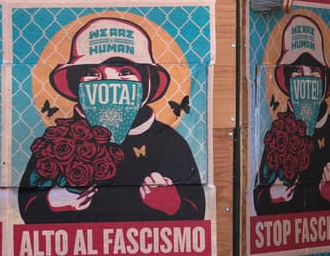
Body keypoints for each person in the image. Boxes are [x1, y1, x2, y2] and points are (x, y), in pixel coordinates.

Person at [18, 16, 206, 223]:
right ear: (75, 84)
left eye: (125, 72)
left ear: (147, 84)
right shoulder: (58, 140)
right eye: (92, 73)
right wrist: (51, 201)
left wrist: (173, 204)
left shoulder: (168, 141)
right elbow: (27, 202)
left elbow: (196, 207)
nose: (109, 82)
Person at [254, 13, 330, 215]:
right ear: (288, 80)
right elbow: (259, 196)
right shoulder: (279, 131)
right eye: (297, 72)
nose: (306, 79)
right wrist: (273, 195)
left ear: (325, 79)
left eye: (314, 71)